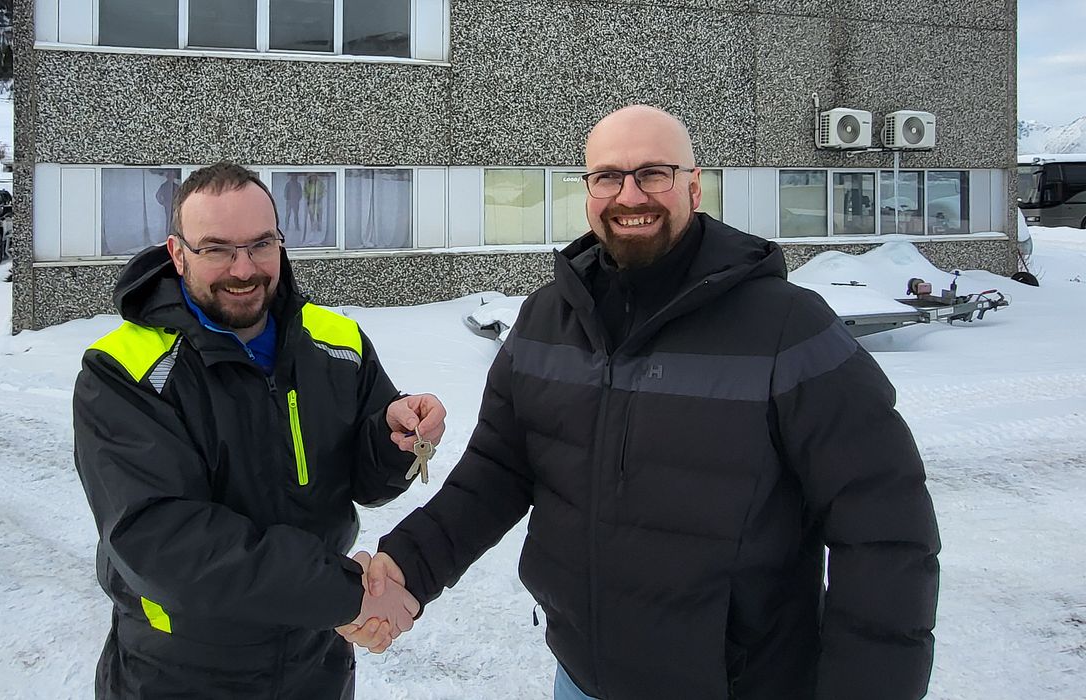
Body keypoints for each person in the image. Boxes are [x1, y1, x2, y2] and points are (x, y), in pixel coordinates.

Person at [341, 106, 941, 699]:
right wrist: (408, 567)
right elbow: (498, 470)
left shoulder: (788, 328)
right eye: (607, 176)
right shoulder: (547, 320)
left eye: (653, 173)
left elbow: (885, 526)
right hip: (581, 680)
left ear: (694, 187)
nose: (629, 196)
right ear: (588, 191)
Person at [73, 161, 445, 699]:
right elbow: (165, 543)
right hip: (180, 672)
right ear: (177, 254)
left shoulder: (337, 342)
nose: (244, 269)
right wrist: (345, 593)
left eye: (261, 244)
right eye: (217, 249)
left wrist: (393, 439)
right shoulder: (125, 372)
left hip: (316, 664)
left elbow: (365, 483)